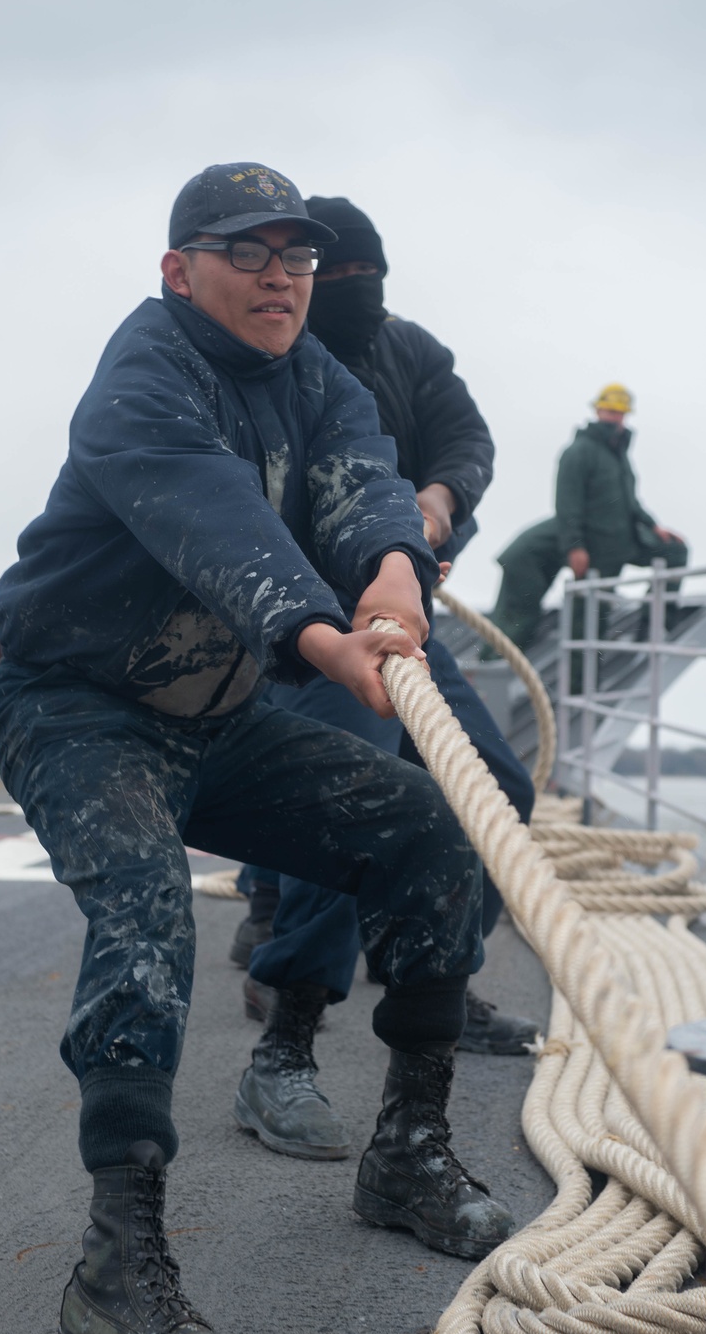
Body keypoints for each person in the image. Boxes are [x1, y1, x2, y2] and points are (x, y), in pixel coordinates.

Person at [0, 163, 514, 1334]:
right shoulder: (145, 374)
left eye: (299, 255)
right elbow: (215, 517)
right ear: (180, 269)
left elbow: (363, 477)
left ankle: (407, 1153)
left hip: (220, 719)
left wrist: (394, 567)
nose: (283, 274)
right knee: (146, 920)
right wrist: (324, 638)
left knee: (431, 834)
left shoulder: (321, 377)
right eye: (250, 250)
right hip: (83, 708)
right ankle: (117, 1273)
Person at [230, 198, 538, 1165]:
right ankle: (283, 1044)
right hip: (312, 623)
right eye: (336, 277)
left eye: (358, 276)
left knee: (499, 783)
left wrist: (435, 510)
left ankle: (436, 971)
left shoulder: (411, 354)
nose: (351, 296)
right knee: (343, 813)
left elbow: (463, 445)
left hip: (402, 620)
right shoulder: (269, 367)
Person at [482, 384, 688, 655]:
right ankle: (575, 684)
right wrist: (575, 546)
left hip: (623, 538)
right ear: (598, 410)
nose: (615, 417)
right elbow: (567, 505)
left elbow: (630, 502)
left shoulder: (619, 455)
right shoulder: (579, 451)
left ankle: (654, 627)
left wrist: (653, 526)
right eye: (611, 410)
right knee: (588, 620)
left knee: (676, 551)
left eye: (620, 412)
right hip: (595, 547)